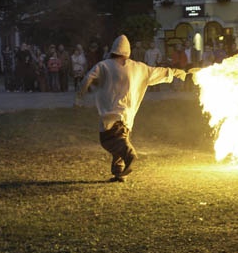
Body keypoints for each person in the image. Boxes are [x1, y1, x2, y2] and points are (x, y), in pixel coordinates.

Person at [75, 35, 187, 182]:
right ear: (128, 52)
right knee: (121, 141)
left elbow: (88, 77)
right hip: (128, 115)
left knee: (109, 140)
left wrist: (79, 97)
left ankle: (130, 154)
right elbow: (160, 72)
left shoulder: (104, 65)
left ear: (114, 50)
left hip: (112, 114)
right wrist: (177, 72)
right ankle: (119, 173)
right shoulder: (139, 68)